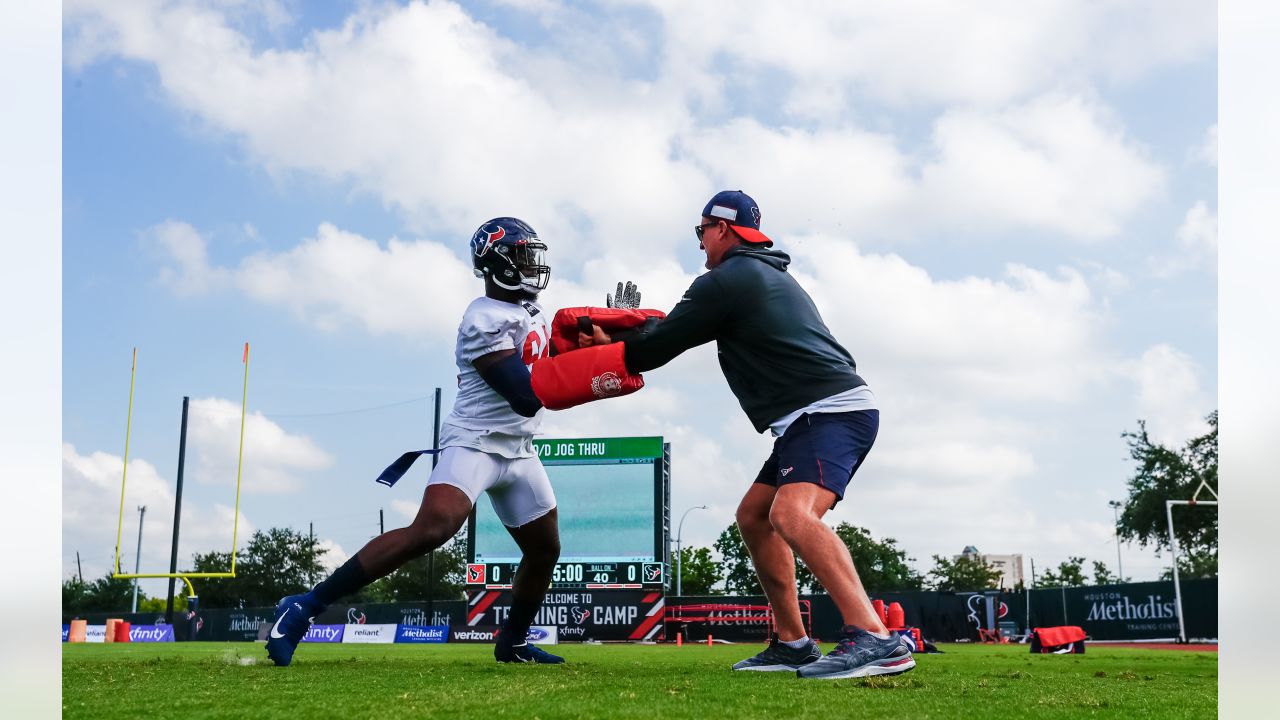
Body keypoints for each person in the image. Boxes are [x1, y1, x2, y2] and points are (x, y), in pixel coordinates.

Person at [580, 190, 914, 680]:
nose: (699, 245)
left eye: (701, 232)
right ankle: (794, 643)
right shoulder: (754, 275)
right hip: (813, 416)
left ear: (723, 228)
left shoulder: (728, 278)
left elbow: (661, 346)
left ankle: (874, 637)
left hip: (829, 412)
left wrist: (610, 349)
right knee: (755, 517)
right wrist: (632, 333)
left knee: (790, 514)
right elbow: (676, 327)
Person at [267, 216, 584, 666]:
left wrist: (605, 341)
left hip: (518, 448)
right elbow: (527, 395)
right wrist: (602, 372)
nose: (531, 264)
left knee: (544, 549)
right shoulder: (483, 319)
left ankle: (512, 643)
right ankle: (306, 605)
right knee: (432, 529)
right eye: (520, 256)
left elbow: (548, 359)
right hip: (475, 442)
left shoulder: (530, 312)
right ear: (497, 265)